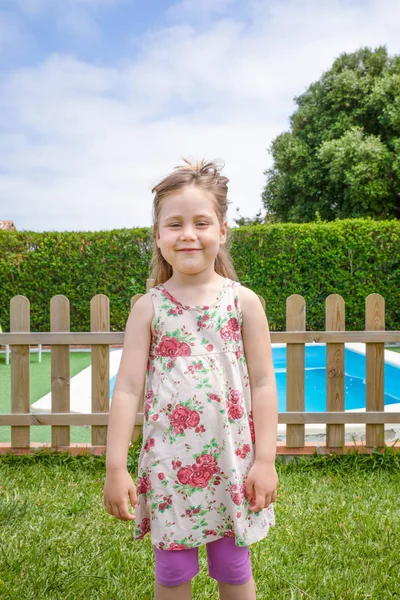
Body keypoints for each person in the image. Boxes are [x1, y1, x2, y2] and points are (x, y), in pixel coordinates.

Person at [103, 158, 279, 600]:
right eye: (174, 224)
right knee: (174, 572)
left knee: (234, 568)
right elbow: (126, 390)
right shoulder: (149, 307)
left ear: (221, 230)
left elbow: (262, 383)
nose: (187, 234)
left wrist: (266, 461)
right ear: (158, 235)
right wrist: (115, 467)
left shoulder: (244, 302)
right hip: (168, 469)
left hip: (231, 464)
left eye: (201, 222)